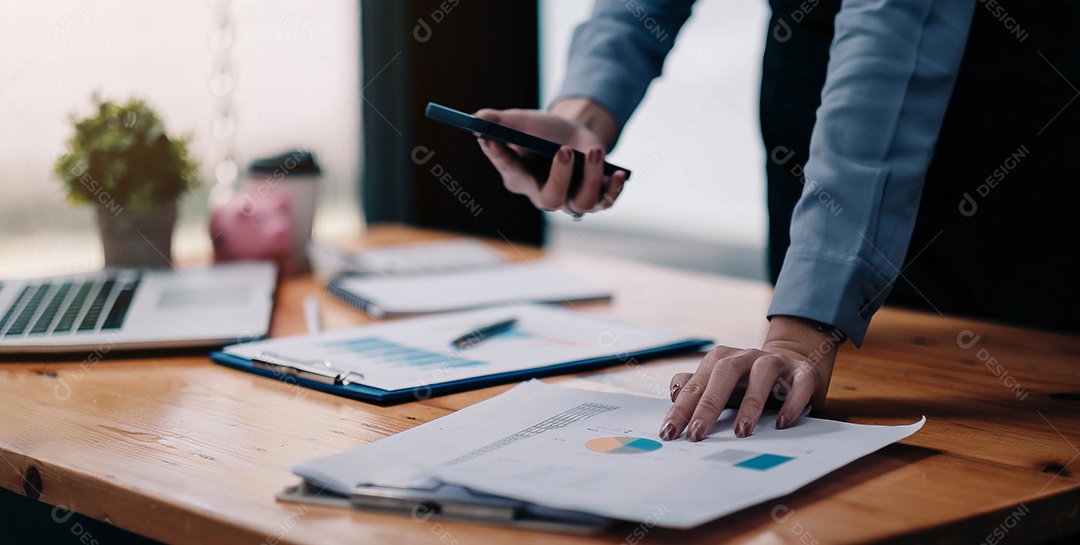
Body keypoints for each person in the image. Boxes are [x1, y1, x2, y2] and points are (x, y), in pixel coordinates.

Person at [475, 0, 1080, 442]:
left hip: (1004, 113)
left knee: (1014, 413)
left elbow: (893, 26)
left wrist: (800, 331)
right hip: (812, 78)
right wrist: (584, 116)